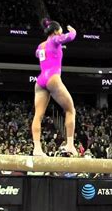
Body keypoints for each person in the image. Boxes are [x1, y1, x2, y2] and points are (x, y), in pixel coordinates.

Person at [31, 18, 78, 156]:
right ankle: (70, 145)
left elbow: (37, 54)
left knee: (38, 116)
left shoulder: (40, 46)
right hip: (53, 78)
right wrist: (73, 31)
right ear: (56, 31)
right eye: (60, 31)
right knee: (70, 110)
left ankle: (37, 149)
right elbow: (70, 37)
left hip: (40, 81)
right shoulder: (55, 39)